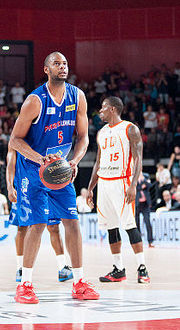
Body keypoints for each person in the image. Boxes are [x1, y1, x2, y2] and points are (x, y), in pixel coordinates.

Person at [9, 52, 99, 303]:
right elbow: (14, 140)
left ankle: (79, 282)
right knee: (37, 224)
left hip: (61, 170)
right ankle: (25, 285)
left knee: (72, 221)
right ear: (46, 70)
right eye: (57, 64)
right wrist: (41, 160)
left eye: (65, 64)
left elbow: (83, 138)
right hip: (33, 169)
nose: (62, 67)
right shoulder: (35, 101)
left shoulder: (77, 96)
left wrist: (74, 161)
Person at [87, 96, 150, 284]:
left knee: (130, 226)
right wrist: (91, 188)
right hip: (104, 184)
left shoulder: (130, 129)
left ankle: (142, 268)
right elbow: (98, 162)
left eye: (103, 108)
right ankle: (118, 269)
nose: (100, 111)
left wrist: (133, 185)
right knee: (111, 228)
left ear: (113, 109)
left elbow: (138, 158)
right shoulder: (101, 132)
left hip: (122, 183)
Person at [6, 147, 73, 282]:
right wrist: (9, 185)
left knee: (54, 226)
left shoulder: (48, 132)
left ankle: (62, 267)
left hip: (48, 182)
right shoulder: (19, 134)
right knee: (22, 227)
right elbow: (10, 159)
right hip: (24, 183)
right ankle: (20, 268)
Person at [135, 172, 154, 248]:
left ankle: (150, 241)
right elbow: (134, 188)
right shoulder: (133, 177)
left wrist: (144, 180)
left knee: (147, 222)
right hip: (137, 204)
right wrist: (141, 186)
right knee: (137, 223)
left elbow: (150, 186)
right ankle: (139, 242)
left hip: (145, 204)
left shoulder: (145, 176)